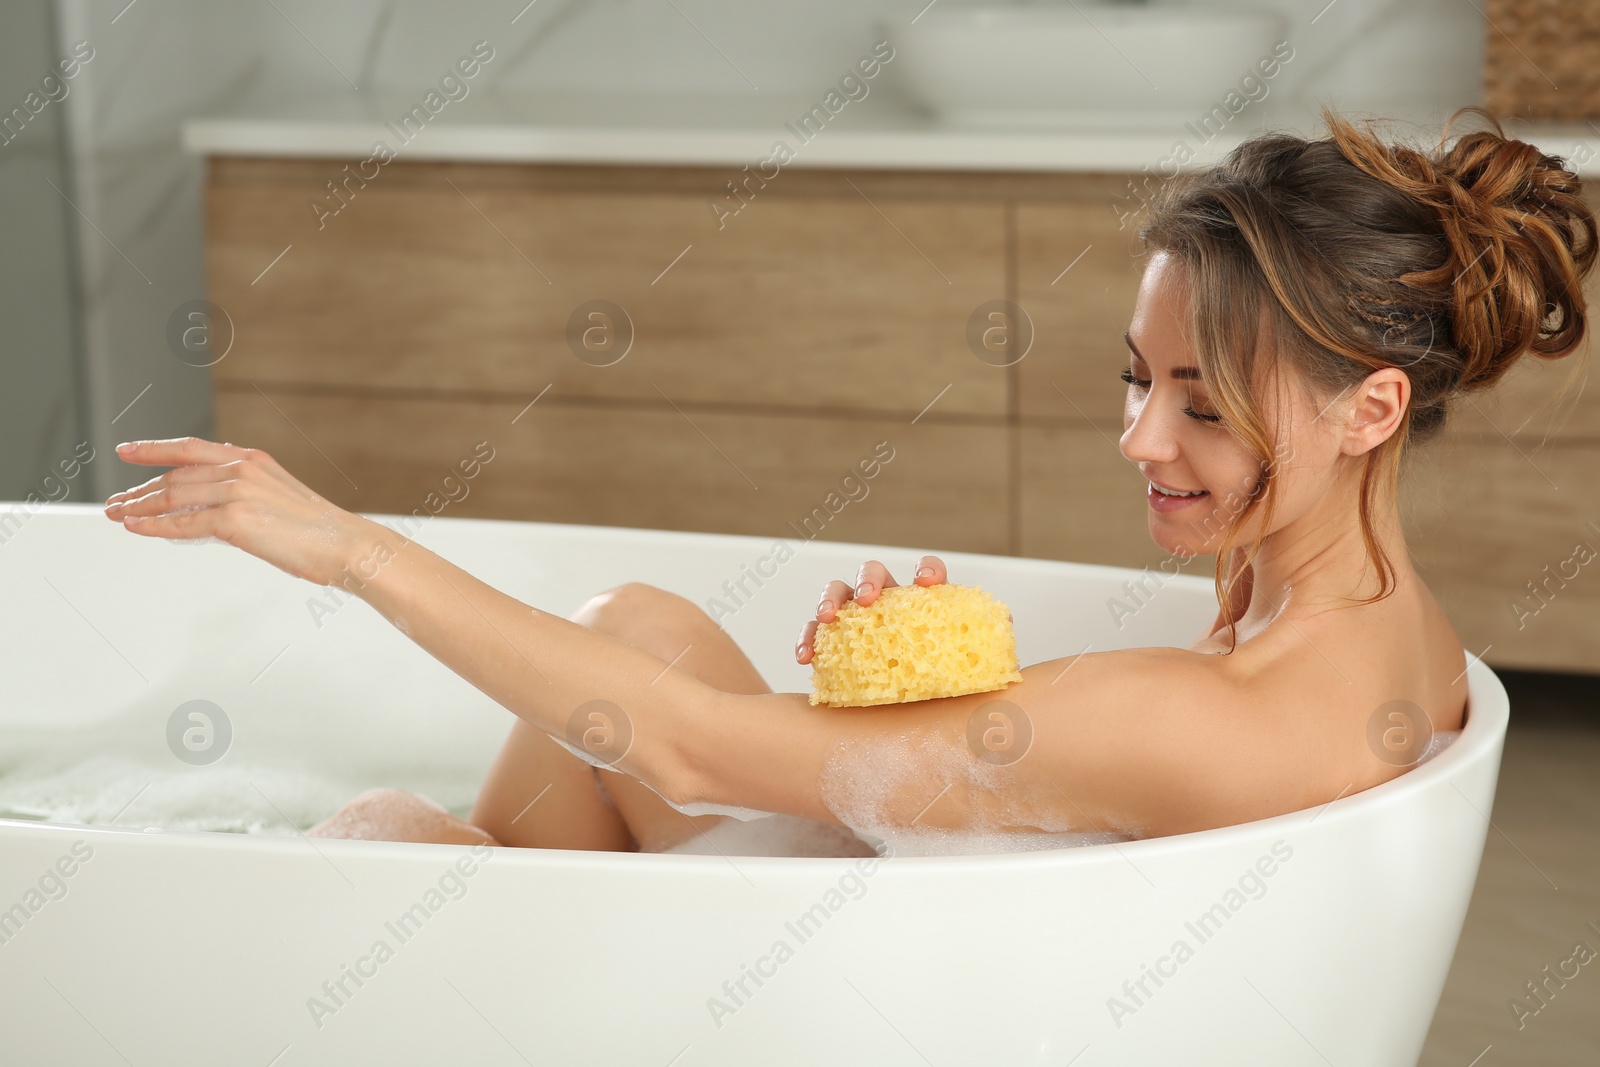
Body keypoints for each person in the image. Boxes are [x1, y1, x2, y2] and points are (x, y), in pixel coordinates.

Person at [102, 104, 1595, 854]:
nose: (1141, 441)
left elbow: (681, 756)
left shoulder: (1221, 711)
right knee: (637, 622)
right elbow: (1085, 782)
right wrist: (916, 708)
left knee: (378, 840)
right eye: (1138, 382)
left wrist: (345, 546)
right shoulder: (1390, 626)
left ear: (1371, 406)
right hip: (901, 933)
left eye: (1204, 410)